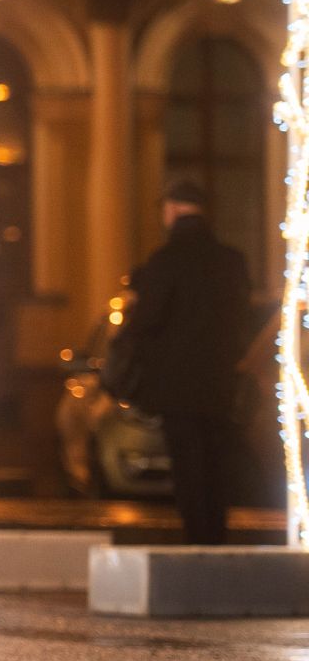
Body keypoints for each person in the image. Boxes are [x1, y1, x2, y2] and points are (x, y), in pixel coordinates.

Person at [108, 180, 252, 545]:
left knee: (188, 464)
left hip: (176, 386)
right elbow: (242, 320)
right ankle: (217, 535)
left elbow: (147, 322)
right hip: (221, 381)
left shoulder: (165, 260)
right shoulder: (232, 261)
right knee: (216, 463)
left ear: (171, 210)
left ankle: (197, 538)